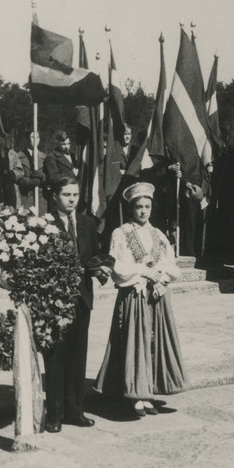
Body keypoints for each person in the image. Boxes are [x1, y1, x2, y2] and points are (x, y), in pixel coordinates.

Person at [95, 182, 186, 417]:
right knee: (135, 341)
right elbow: (118, 266)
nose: (143, 211)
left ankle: (148, 392)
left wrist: (162, 277)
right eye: (138, 207)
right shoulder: (121, 233)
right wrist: (144, 272)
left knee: (153, 341)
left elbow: (171, 264)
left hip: (156, 296)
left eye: (147, 206)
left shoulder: (158, 234)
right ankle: (134, 394)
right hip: (134, 294)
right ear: (131, 209)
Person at [44, 175, 106, 433]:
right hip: (54, 302)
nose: (71, 199)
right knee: (56, 356)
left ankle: (75, 411)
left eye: (75, 195)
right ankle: (55, 415)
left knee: (78, 355)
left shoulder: (88, 223)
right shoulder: (44, 224)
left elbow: (93, 254)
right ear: (55, 197)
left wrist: (101, 267)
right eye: (66, 194)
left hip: (81, 299)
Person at [18, 132, 47, 214]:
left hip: (40, 199)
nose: (35, 139)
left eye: (37, 137)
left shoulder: (44, 157)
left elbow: (49, 177)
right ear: (27, 139)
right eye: (32, 137)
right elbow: (17, 177)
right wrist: (29, 182)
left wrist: (42, 176)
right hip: (24, 198)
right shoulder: (19, 157)